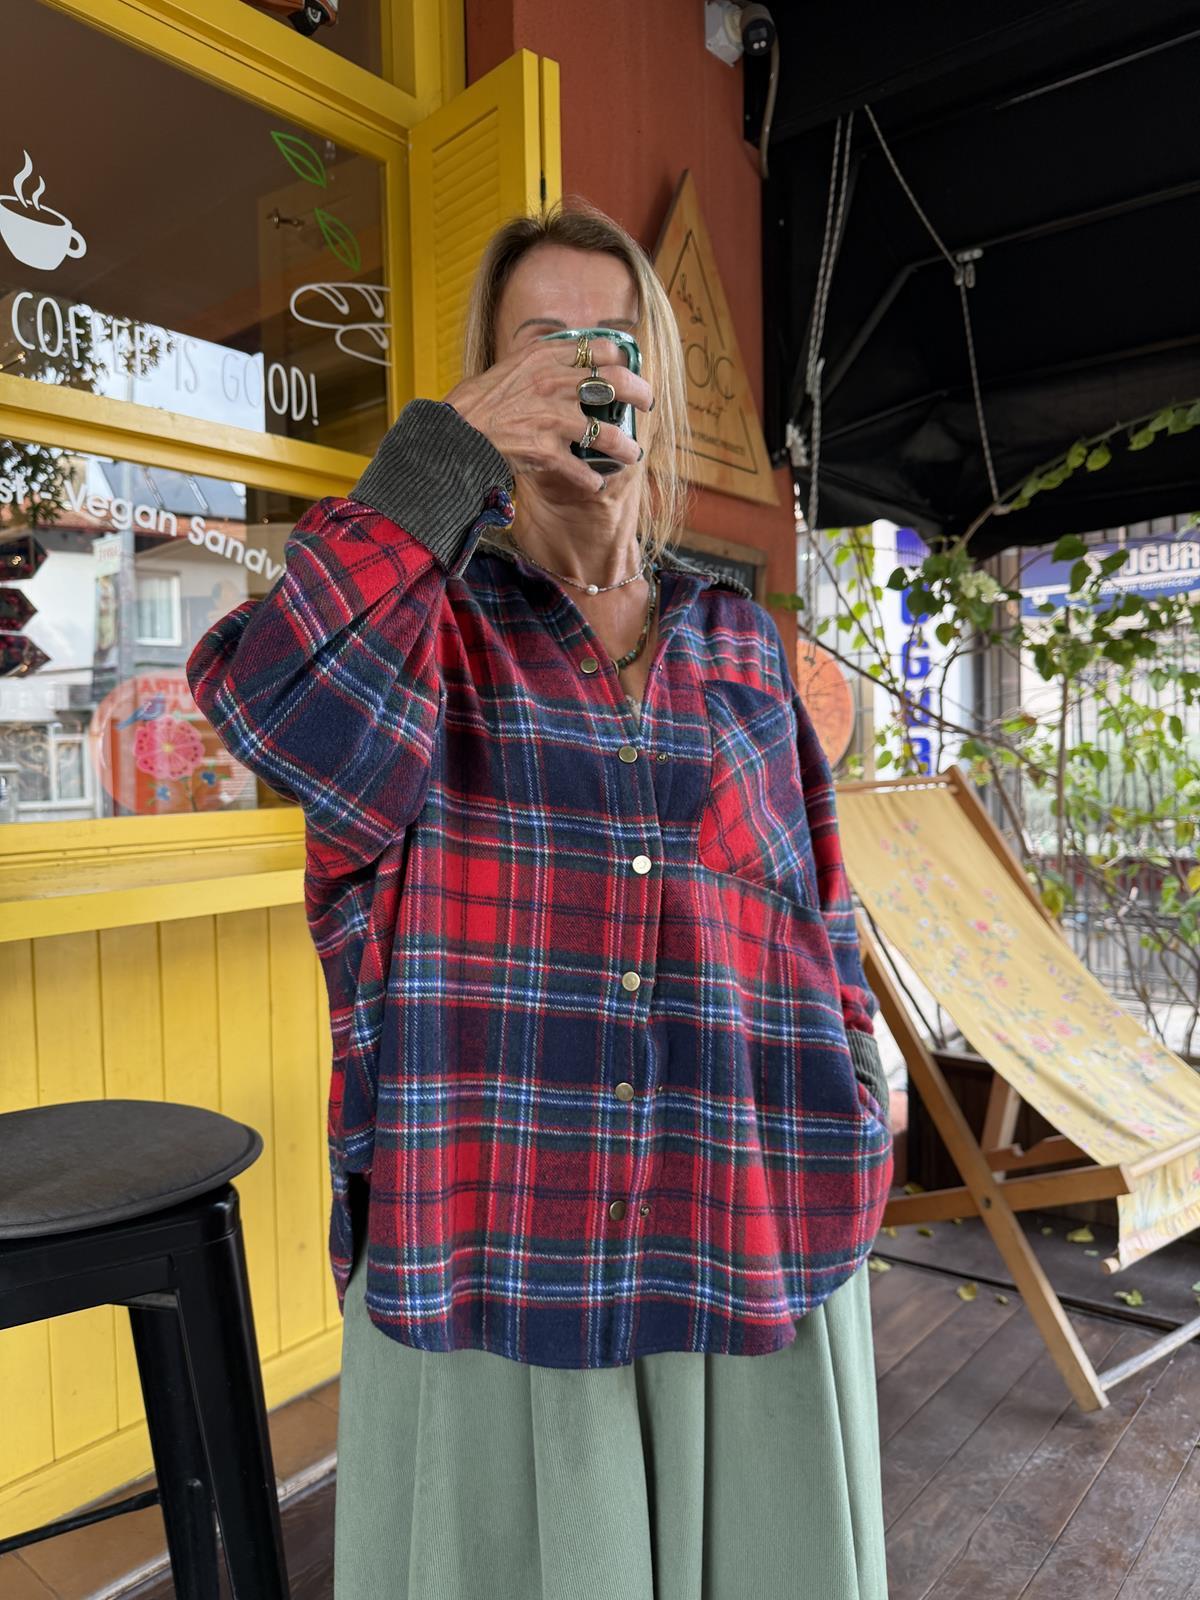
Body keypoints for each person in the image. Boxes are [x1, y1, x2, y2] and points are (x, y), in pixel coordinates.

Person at [187, 199, 894, 1600]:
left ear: (659, 386)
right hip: (495, 1263)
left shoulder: (743, 647)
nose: (585, 370)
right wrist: (443, 457)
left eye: (613, 341)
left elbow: (819, 915)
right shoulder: (427, 632)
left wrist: (860, 1098)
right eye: (542, 344)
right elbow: (278, 705)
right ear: (492, 384)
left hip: (746, 1249)